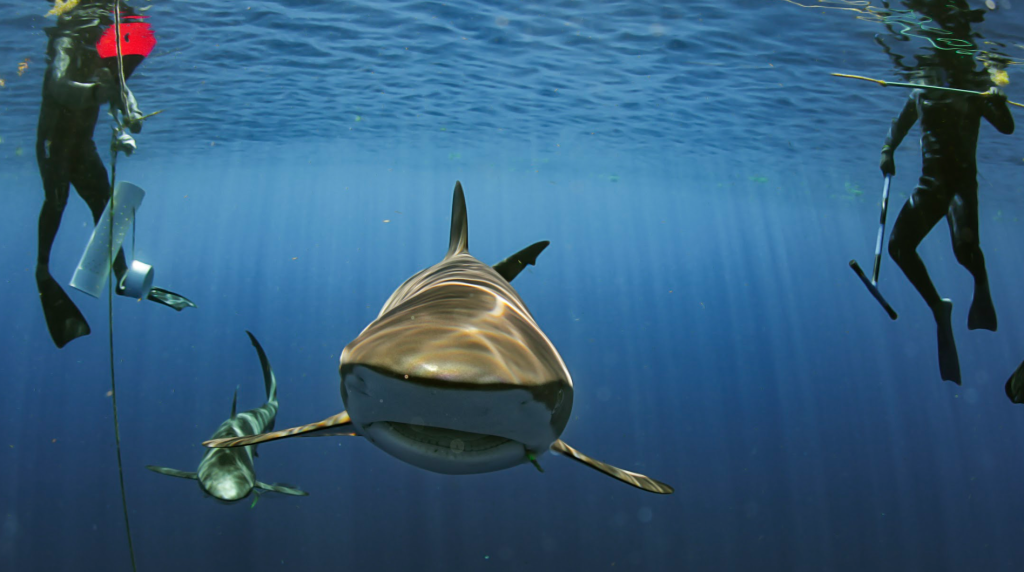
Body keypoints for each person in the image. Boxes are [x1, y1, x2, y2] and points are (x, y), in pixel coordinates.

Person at [36, 0, 193, 349]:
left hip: (82, 146)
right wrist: (97, 93)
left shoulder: (104, 51)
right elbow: (58, 85)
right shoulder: (67, 43)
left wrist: (131, 114)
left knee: (106, 206)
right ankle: (42, 271)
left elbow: (119, 89)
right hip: (54, 144)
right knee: (57, 201)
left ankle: (122, 274)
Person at [881, 54, 1014, 384]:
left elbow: (1006, 127)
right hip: (930, 187)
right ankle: (938, 307)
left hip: (960, 188)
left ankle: (980, 283)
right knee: (898, 247)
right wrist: (887, 151)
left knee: (963, 251)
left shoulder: (972, 90)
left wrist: (997, 100)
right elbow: (900, 124)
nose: (934, 78)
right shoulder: (920, 92)